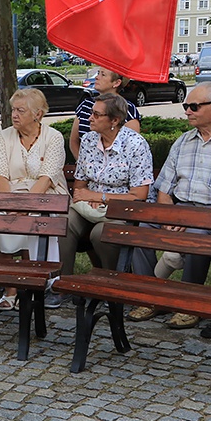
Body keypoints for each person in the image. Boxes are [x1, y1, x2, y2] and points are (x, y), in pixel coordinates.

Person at [130, 82, 211, 338]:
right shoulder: (183, 142)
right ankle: (150, 297)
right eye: (186, 106)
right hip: (180, 207)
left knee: (197, 233)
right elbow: (164, 188)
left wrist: (195, 218)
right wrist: (169, 215)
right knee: (143, 229)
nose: (187, 111)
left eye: (193, 106)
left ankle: (189, 303)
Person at [51, 92, 153, 308]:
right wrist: (90, 199)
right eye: (91, 113)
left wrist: (102, 197)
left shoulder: (135, 145)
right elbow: (79, 185)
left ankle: (110, 284)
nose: (90, 118)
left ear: (114, 121)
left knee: (101, 233)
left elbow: (139, 195)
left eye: (97, 115)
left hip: (123, 209)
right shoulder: (88, 141)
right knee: (64, 223)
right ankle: (65, 284)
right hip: (88, 205)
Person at [0, 88, 68, 311]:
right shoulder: (3, 136)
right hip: (8, 195)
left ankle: (32, 283)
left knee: (36, 217)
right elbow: (0, 175)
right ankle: (10, 286)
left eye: (21, 110)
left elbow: (46, 178)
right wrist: (10, 206)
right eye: (13, 110)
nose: (15, 115)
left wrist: (25, 208)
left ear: (38, 114)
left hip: (43, 195)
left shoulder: (54, 138)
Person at [70, 67, 141, 160]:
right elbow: (74, 141)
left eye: (103, 75)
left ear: (116, 83)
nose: (97, 77)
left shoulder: (127, 109)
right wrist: (83, 164)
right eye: (98, 73)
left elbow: (133, 146)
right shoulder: (86, 104)